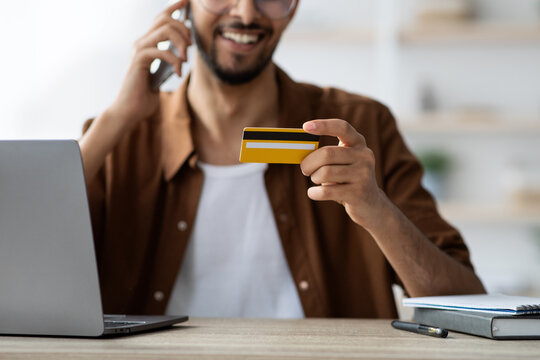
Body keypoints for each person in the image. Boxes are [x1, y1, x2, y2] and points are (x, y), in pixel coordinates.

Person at [79, 0, 485, 318]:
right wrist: (118, 118)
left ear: (294, 8)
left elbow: (468, 304)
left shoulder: (363, 126)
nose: (245, 12)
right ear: (184, 3)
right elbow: (21, 268)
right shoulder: (117, 137)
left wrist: (376, 209)